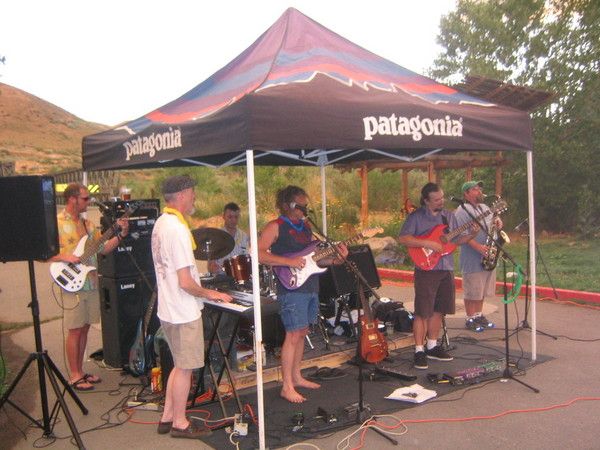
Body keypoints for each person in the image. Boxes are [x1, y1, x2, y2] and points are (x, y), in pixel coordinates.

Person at [151, 175, 232, 439]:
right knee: (185, 368)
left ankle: (167, 416)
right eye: (192, 192)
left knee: (178, 365)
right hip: (183, 310)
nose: (195, 196)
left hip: (168, 307)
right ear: (183, 194)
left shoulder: (162, 222)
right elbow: (186, 282)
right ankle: (180, 423)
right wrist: (211, 293)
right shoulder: (177, 230)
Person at [258, 185, 347, 403]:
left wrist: (336, 260)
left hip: (310, 286)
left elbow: (313, 260)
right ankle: (286, 386)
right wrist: (288, 261)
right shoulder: (275, 226)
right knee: (292, 334)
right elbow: (258, 253)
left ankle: (296, 377)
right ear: (288, 205)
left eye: (306, 205)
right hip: (291, 287)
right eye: (301, 205)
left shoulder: (307, 227)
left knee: (302, 331)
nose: (305, 209)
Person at [49, 182, 129, 391]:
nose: (88, 202)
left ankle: (80, 371)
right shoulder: (56, 223)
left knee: (84, 327)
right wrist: (64, 257)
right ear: (72, 199)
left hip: (90, 281)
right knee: (75, 329)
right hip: (70, 282)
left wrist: (121, 234)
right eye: (85, 198)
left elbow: (103, 249)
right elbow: (43, 254)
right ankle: (74, 375)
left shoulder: (87, 224)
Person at [398, 182, 476, 370]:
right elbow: (403, 238)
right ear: (426, 201)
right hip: (426, 269)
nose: (441, 201)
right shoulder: (416, 217)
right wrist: (427, 243)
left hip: (445, 267)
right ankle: (419, 350)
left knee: (439, 309)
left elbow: (457, 240)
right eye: (437, 199)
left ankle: (432, 346)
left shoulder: (449, 216)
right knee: (423, 311)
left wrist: (473, 233)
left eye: (442, 197)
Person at [455, 180, 503, 332]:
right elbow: (461, 235)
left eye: (479, 189)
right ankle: (470, 318)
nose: (479, 192)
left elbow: (492, 224)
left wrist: (498, 223)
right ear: (466, 193)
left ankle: (478, 315)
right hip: (472, 257)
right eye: (475, 189)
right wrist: (478, 247)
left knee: (481, 290)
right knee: (472, 290)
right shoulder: (462, 211)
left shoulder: (485, 207)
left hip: (488, 254)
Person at [208, 202, 250, 274]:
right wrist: (212, 267)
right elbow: (210, 266)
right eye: (230, 217)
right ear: (223, 216)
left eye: (236, 217)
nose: (233, 220)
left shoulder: (244, 236)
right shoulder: (216, 237)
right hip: (222, 276)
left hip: (240, 276)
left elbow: (246, 259)